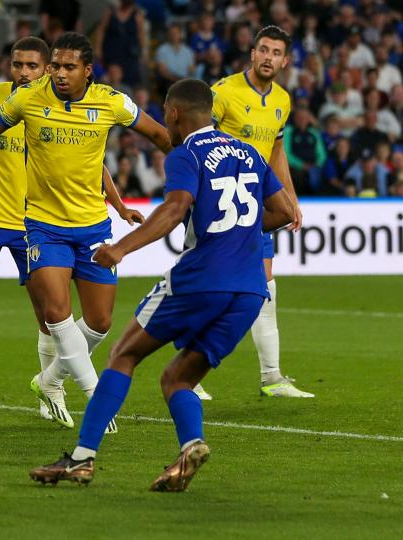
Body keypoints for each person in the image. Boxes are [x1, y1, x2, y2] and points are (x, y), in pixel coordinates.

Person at [28, 78, 295, 491]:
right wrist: (237, 231)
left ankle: (81, 459)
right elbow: (284, 212)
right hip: (250, 290)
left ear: (173, 113)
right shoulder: (248, 152)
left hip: (201, 278)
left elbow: (174, 208)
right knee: (178, 378)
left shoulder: (185, 153)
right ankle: (191, 445)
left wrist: (121, 248)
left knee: (123, 354)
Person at [0, 33, 172, 428]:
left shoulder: (112, 102)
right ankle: (89, 390)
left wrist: (196, 165)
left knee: (99, 322)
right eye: (55, 67)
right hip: (37, 225)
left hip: (90, 226)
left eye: (67, 67)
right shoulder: (22, 99)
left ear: (88, 70)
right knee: (50, 312)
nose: (58, 74)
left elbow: (150, 137)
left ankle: (49, 381)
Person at [208, 25, 313, 398]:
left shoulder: (282, 100)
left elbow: (276, 152)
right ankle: (189, 375)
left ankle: (272, 377)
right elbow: (193, 140)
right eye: (263, 50)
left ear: (285, 61)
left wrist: (290, 199)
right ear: (252, 53)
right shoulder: (222, 93)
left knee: (265, 291)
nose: (268, 58)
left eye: (275, 53)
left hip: (256, 209)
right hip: (220, 207)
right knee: (212, 292)